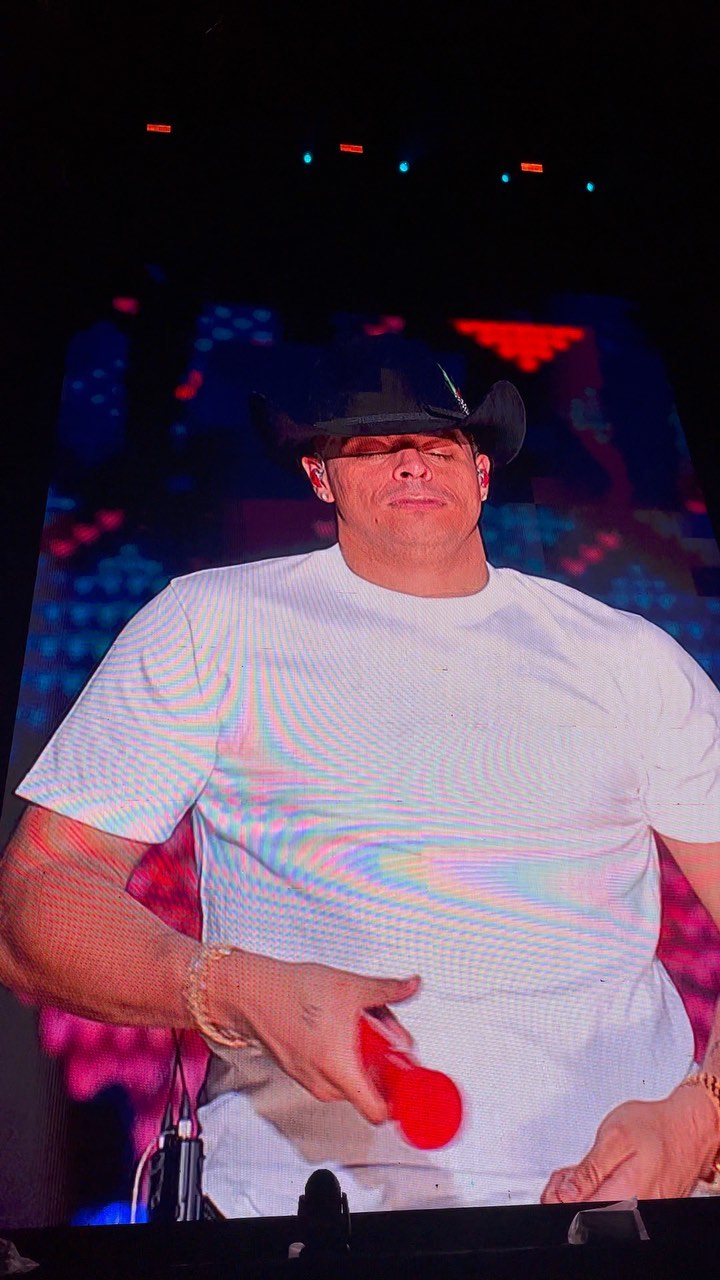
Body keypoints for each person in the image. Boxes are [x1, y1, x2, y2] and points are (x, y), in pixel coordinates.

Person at [1, 338, 720, 1218]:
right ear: (319, 476)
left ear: (482, 474)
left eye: (441, 443)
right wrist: (232, 988)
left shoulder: (626, 657)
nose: (413, 462)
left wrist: (700, 1117)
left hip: (614, 1205)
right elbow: (35, 901)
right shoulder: (209, 624)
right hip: (294, 1215)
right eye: (373, 446)